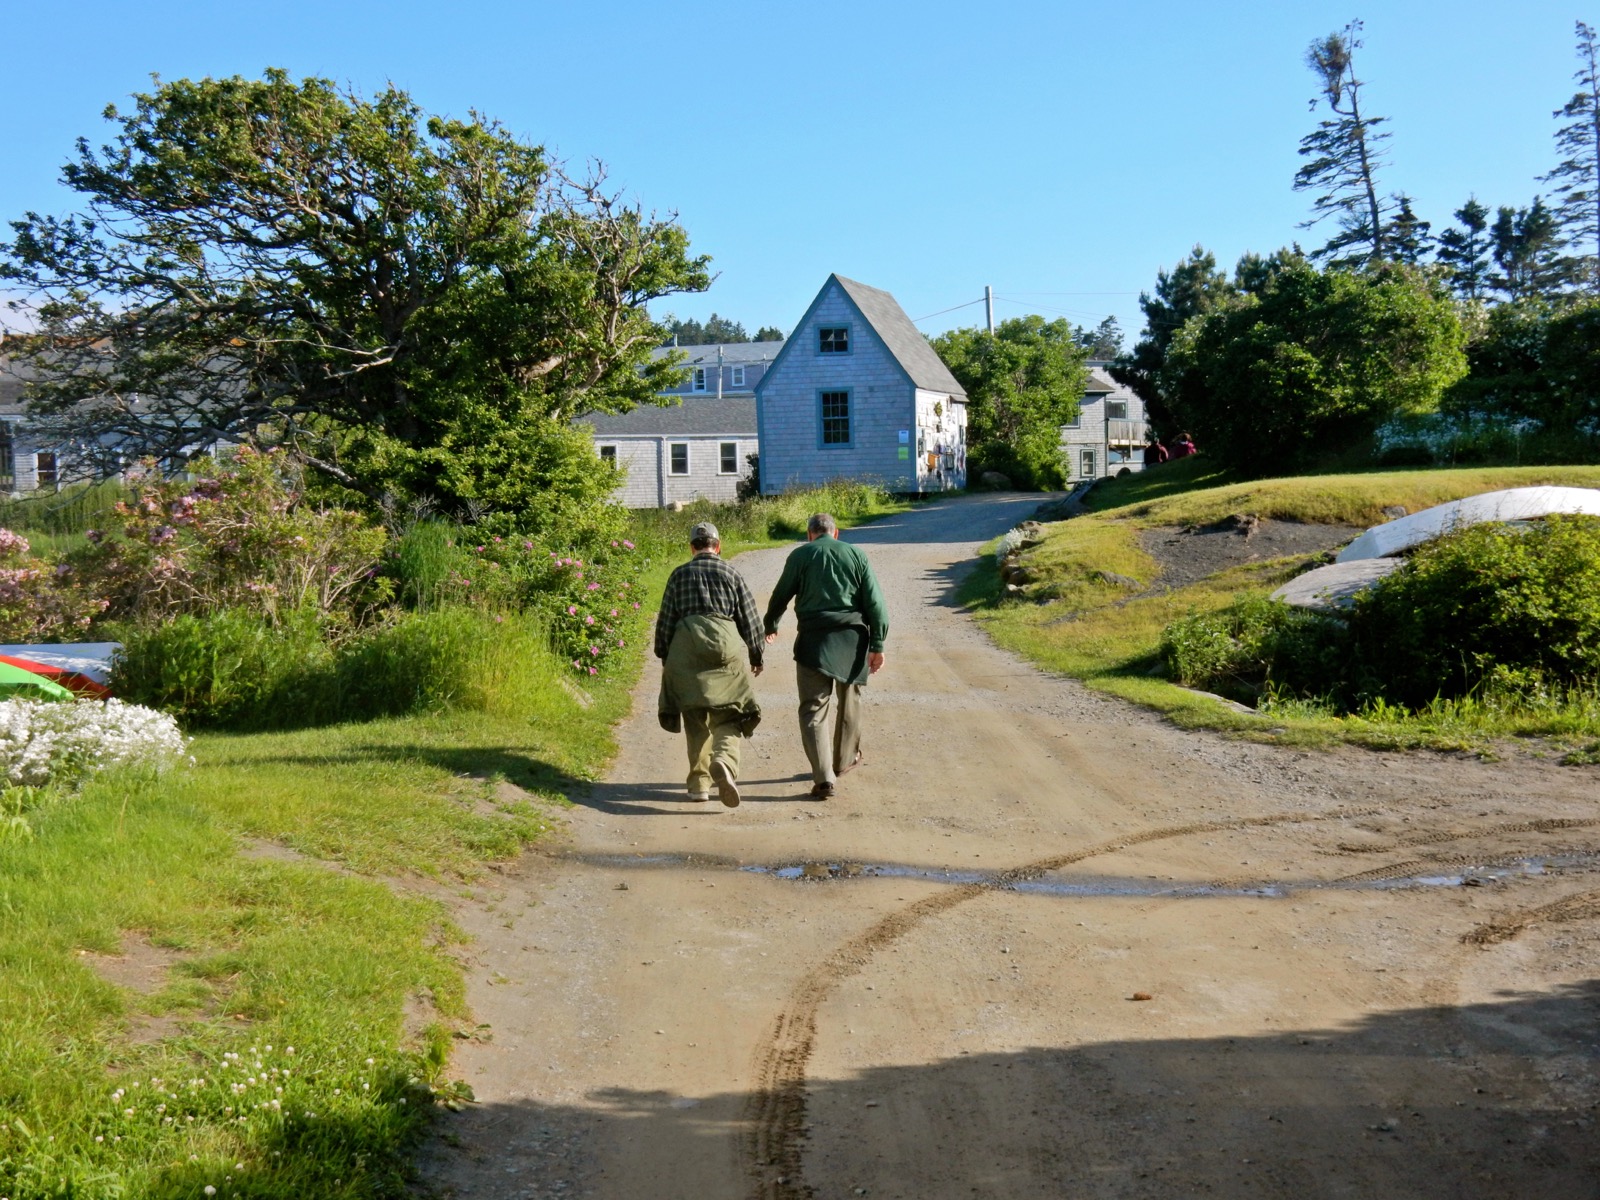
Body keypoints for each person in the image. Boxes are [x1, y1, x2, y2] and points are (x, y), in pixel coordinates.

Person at [762, 513, 889, 799]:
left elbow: (781, 594)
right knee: (850, 703)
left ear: (810, 534)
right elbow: (875, 602)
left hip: (813, 641)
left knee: (813, 709)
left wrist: (771, 624)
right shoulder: (857, 555)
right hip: (852, 640)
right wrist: (878, 644)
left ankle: (823, 778)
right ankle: (843, 762)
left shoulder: (800, 555)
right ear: (836, 533)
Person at [655, 521, 764, 807]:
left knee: (695, 717)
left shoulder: (679, 575)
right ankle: (725, 762)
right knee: (729, 714)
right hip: (723, 648)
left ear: (692, 547)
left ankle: (699, 785)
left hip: (685, 651)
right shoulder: (731, 572)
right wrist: (756, 654)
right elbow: (750, 618)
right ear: (718, 546)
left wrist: (665, 657)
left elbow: (666, 619)